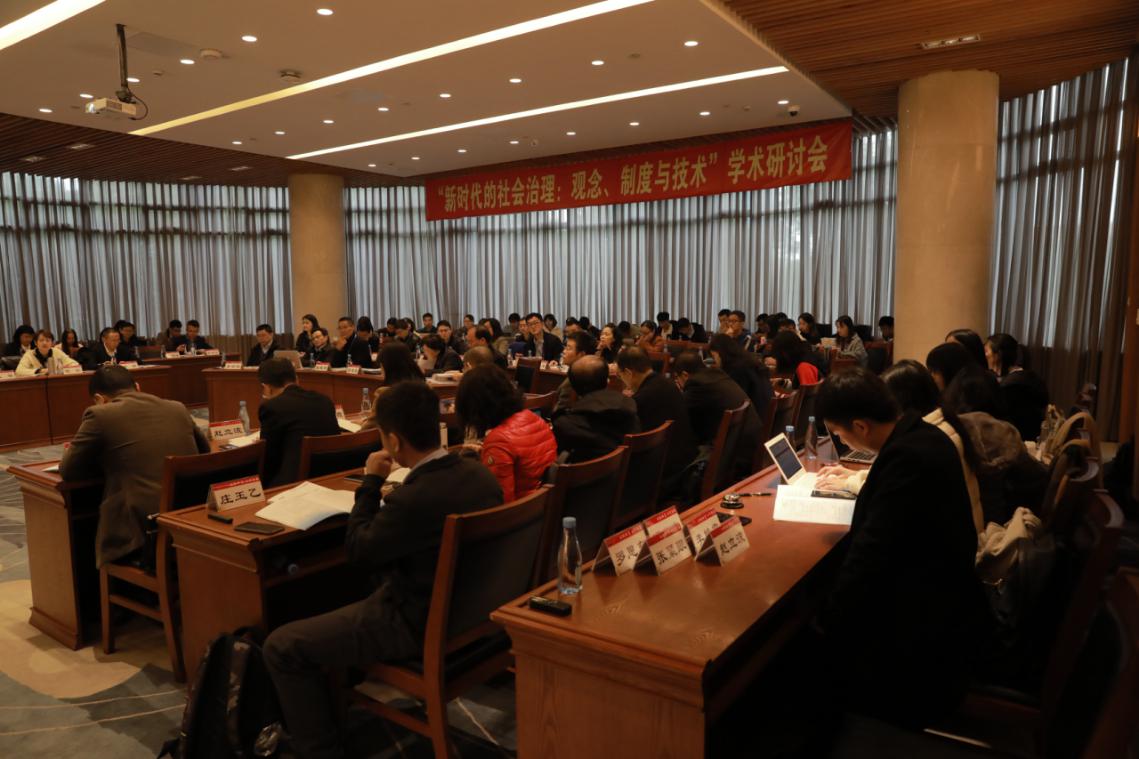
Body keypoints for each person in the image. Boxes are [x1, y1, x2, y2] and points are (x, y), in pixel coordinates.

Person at [262, 382, 502, 759]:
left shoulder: (413, 498)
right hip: (474, 614)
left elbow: (358, 550)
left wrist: (371, 482)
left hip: (416, 623)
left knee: (282, 646)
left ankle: (320, 751)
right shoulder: (481, 476)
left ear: (393, 440)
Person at [813, 368, 991, 726]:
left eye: (839, 433)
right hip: (942, 601)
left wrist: (827, 619)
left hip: (922, 637)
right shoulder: (924, 435)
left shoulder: (907, 458)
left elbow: (871, 556)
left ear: (861, 426)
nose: (842, 441)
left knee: (807, 640)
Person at [59, 366, 209, 567]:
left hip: (142, 533)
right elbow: (204, 452)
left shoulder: (100, 414)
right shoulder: (177, 407)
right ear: (137, 387)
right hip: (189, 520)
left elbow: (68, 470)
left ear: (99, 399)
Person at [455, 365, 557, 501]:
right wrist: (486, 452)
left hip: (523, 509)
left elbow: (501, 501)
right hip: (542, 501)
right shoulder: (534, 418)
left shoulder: (499, 441)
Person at [616, 347, 698, 494]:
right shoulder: (668, 384)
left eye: (619, 375)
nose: (621, 379)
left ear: (628, 373)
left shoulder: (641, 399)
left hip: (664, 478)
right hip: (686, 465)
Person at [672, 351, 762, 477]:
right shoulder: (716, 374)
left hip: (734, 458)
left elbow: (678, 413)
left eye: (677, 378)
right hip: (750, 448)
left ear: (684, 375)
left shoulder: (696, 384)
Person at [256, 358, 341, 487]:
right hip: (332, 476)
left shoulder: (272, 407)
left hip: (293, 484)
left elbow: (268, 459)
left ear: (266, 387)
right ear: (297, 379)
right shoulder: (325, 400)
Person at [553, 356, 640, 463]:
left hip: (585, 473)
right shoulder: (629, 407)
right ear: (607, 381)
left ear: (573, 387)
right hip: (628, 469)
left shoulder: (566, 424)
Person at [985, 333, 1049, 442]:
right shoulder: (1027, 376)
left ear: (998, 355)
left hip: (1019, 440)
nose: (985, 355)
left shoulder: (1012, 386)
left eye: (986, 351)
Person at [709, 333, 773, 416]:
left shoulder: (737, 369)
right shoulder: (748, 361)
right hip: (766, 413)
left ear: (719, 353)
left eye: (714, 356)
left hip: (754, 417)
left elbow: (734, 399)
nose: (715, 361)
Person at [552, 330, 596, 414]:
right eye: (565, 347)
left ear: (581, 354)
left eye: (568, 348)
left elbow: (559, 413)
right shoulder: (590, 373)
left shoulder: (574, 381)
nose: (564, 351)